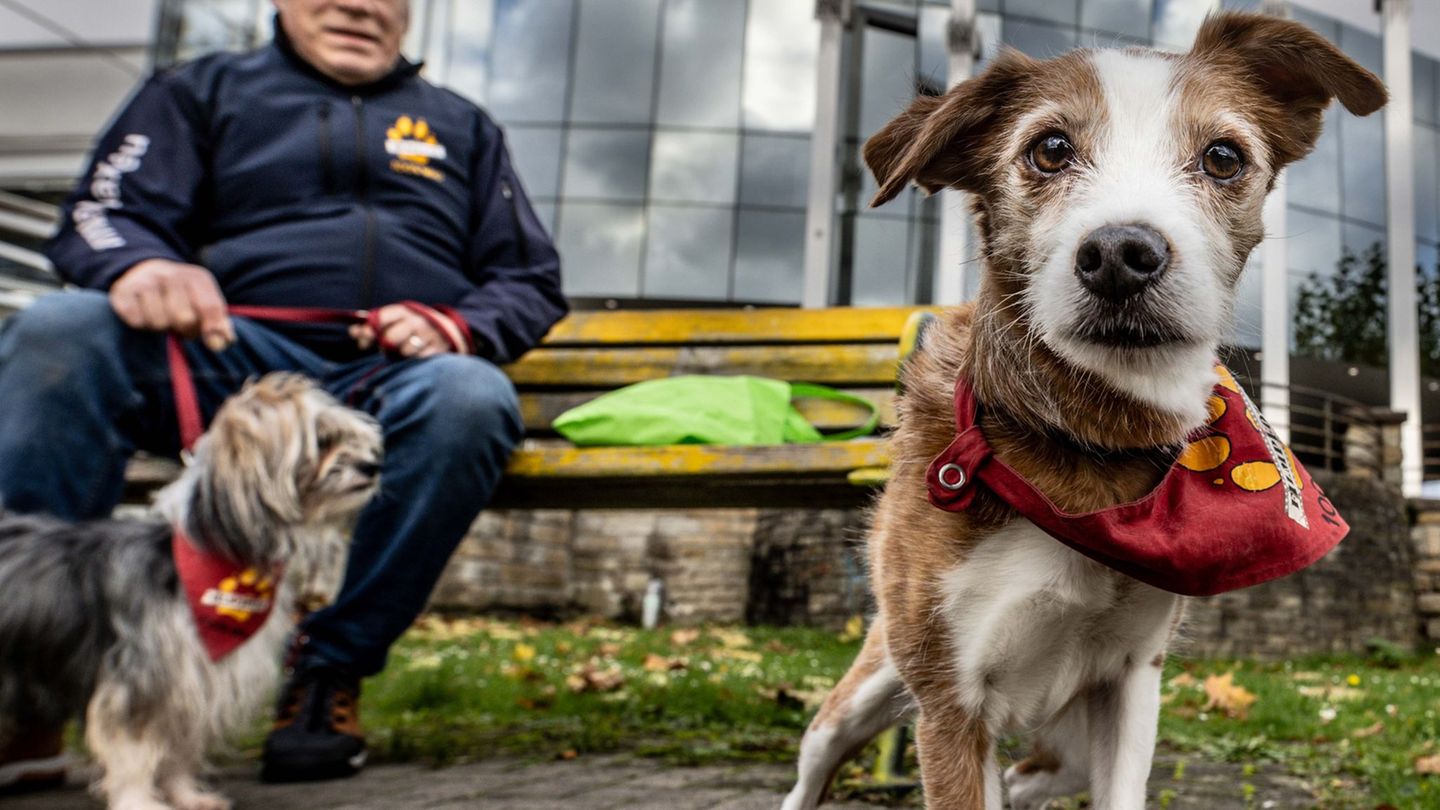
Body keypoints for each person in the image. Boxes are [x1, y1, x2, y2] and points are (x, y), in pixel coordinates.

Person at [0, 0, 563, 788]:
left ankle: (328, 672)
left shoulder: (463, 126)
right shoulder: (195, 91)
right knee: (62, 330)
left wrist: (455, 325)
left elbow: (529, 279)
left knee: (469, 397)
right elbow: (104, 215)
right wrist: (142, 266)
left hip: (389, 374)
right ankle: (27, 672)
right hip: (225, 355)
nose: (359, 5)